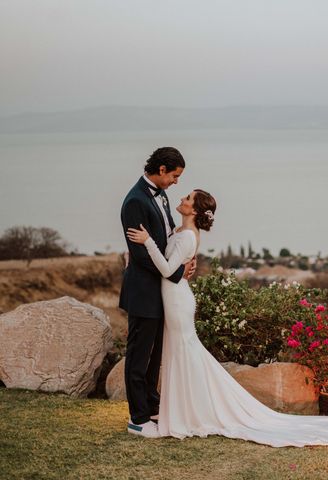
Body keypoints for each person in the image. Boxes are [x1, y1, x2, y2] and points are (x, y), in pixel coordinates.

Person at [126, 189, 328, 446]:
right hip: (172, 298)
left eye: (188, 198)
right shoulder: (179, 232)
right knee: (180, 355)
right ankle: (182, 410)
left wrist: (147, 241)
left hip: (177, 301)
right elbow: (172, 262)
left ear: (195, 210)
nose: (182, 199)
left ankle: (192, 412)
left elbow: (168, 270)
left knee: (183, 353)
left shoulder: (189, 236)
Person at [120, 147, 196, 438]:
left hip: (162, 292)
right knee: (139, 356)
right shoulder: (136, 201)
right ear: (162, 169)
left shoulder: (161, 194)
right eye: (175, 176)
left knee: (155, 356)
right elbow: (140, 256)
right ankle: (137, 419)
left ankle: (152, 407)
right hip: (143, 291)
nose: (176, 182)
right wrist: (176, 272)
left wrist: (185, 256)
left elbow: (166, 238)